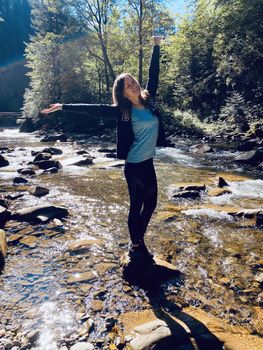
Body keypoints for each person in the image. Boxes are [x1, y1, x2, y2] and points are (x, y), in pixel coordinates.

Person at [41, 36, 166, 263]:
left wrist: (156, 46)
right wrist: (63, 106)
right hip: (135, 165)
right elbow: (94, 109)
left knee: (152, 204)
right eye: (129, 84)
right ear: (123, 92)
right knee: (137, 205)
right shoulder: (122, 110)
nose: (134, 85)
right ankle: (136, 244)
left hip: (148, 161)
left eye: (134, 81)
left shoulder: (148, 99)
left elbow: (153, 76)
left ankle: (138, 239)